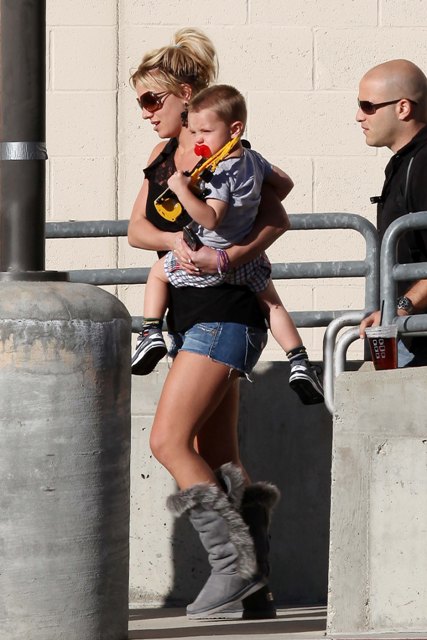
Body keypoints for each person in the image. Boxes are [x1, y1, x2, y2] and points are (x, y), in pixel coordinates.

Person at [128, 28, 288, 620]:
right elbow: (137, 231)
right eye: (139, 101)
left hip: (224, 314)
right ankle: (257, 585)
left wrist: (231, 256)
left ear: (185, 95)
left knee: (168, 441)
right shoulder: (160, 160)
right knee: (219, 455)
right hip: (191, 315)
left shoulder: (225, 152)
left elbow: (278, 216)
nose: (145, 112)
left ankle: (232, 565)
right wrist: (175, 241)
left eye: (152, 99)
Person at [131, 84, 324, 405]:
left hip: (206, 258)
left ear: (234, 129)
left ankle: (150, 331)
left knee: (158, 273)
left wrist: (181, 190)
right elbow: (285, 184)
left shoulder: (220, 173)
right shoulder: (253, 160)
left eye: (205, 132)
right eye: (194, 132)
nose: (199, 139)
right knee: (273, 305)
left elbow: (210, 218)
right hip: (248, 260)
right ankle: (299, 360)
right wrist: (251, 198)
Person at [357, 59, 427, 367]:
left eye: (368, 106)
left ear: (403, 108)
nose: (359, 116)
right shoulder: (404, 161)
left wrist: (401, 308)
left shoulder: (423, 164)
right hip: (410, 334)